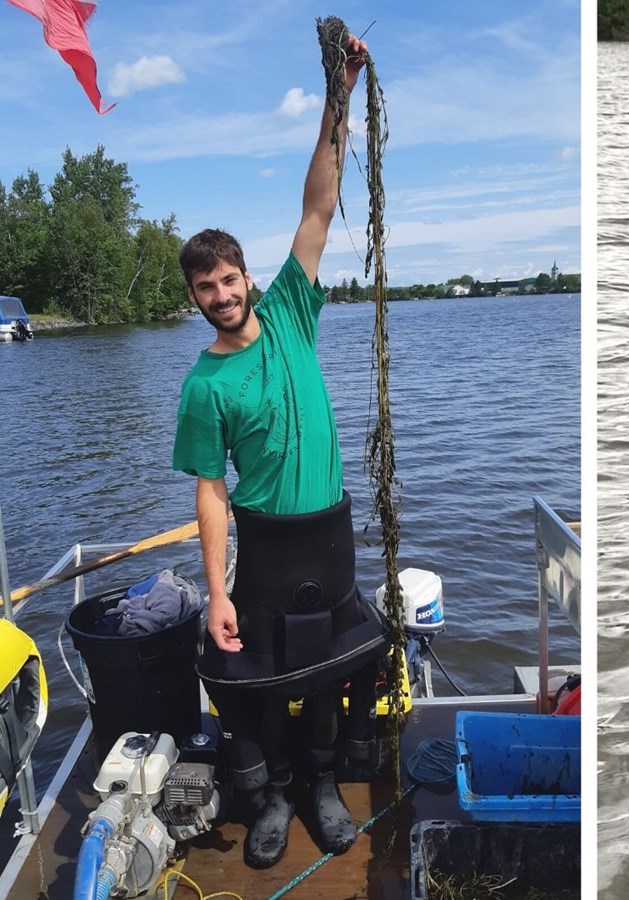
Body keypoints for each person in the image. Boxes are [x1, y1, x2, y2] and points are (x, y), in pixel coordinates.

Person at [171, 34, 385, 870]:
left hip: (326, 531)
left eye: (229, 279)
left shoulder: (293, 309)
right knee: (254, 678)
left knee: (329, 669)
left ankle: (323, 788)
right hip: (263, 541)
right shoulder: (204, 385)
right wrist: (217, 592)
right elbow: (210, 491)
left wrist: (339, 93)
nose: (221, 295)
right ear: (194, 298)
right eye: (205, 288)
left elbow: (318, 206)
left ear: (246, 277)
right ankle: (268, 801)